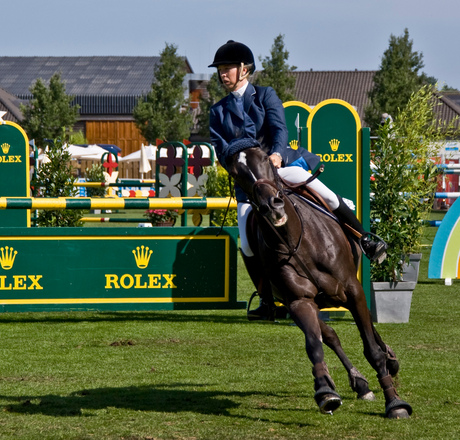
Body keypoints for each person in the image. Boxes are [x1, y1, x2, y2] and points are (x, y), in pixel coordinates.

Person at [209, 40, 387, 320]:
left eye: (227, 68)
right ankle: (267, 299)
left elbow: (280, 129)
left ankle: (366, 238)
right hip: (250, 185)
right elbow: (222, 152)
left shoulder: (265, 95)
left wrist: (277, 155)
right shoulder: (217, 111)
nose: (222, 74)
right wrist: (241, 172)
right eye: (220, 69)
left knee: (324, 194)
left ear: (244, 70)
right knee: (245, 241)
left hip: (279, 169)